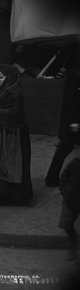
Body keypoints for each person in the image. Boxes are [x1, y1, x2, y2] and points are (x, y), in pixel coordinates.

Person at [0, 64, 33, 202]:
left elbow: (13, 114)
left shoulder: (13, 92)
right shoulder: (7, 90)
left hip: (12, 135)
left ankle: (11, 194)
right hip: (4, 132)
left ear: (9, 78)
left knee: (10, 165)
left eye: (1, 77)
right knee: (0, 164)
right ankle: (3, 192)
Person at [45, 46, 80, 187]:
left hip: (72, 122)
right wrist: (74, 122)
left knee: (63, 150)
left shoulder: (73, 77)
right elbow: (72, 103)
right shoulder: (74, 78)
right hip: (73, 123)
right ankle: (52, 178)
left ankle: (52, 178)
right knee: (63, 150)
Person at [58, 156, 80, 264]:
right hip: (71, 201)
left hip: (72, 200)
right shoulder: (75, 164)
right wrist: (66, 194)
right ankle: (74, 249)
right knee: (66, 225)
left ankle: (74, 253)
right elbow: (63, 178)